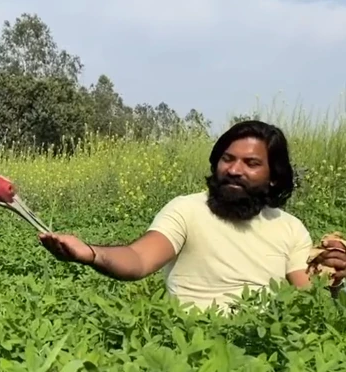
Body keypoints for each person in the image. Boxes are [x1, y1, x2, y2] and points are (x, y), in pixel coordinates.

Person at [38, 120, 346, 312]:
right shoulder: (187, 209)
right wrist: (90, 253)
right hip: (189, 341)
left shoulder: (289, 228)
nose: (234, 169)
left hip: (262, 344)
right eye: (227, 159)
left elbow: (306, 294)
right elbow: (139, 258)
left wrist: (332, 281)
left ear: (274, 177)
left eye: (251, 163)